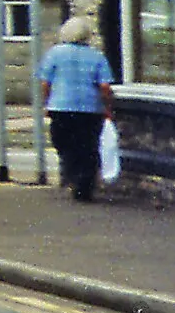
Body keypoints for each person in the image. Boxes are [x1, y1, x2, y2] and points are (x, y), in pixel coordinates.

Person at [37, 16, 116, 202]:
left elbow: (45, 83)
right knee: (89, 147)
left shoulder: (54, 54)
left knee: (63, 143)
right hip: (91, 109)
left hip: (61, 107)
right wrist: (107, 108)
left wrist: (47, 103)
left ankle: (72, 176)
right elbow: (105, 86)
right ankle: (85, 184)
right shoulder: (97, 56)